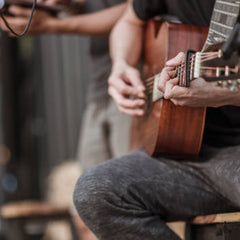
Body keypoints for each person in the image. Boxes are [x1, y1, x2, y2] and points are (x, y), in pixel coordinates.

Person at [73, 0, 240, 239]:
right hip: (185, 156)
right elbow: (128, 20)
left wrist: (230, 94)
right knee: (96, 191)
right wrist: (121, 64)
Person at [0, 1, 130, 239]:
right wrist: (61, 5)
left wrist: (53, 26)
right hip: (100, 85)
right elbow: (91, 7)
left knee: (129, 201)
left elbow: (137, 10)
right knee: (84, 214)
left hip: (136, 79)